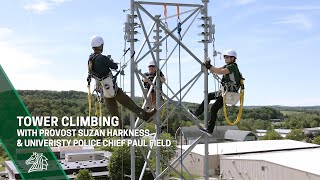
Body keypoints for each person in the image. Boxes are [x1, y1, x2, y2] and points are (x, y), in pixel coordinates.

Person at [87, 35, 157, 128]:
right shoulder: (102, 58)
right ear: (101, 46)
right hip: (112, 88)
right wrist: (110, 62)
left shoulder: (90, 59)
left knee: (114, 112)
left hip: (103, 90)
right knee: (129, 103)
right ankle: (145, 116)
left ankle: (121, 131)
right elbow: (115, 67)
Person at [189, 49, 243, 134]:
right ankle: (197, 113)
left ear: (232, 58)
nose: (225, 58)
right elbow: (217, 69)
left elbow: (219, 71)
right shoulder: (228, 66)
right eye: (224, 57)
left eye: (227, 57)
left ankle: (209, 128)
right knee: (210, 97)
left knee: (214, 108)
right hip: (225, 92)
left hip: (228, 93)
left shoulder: (232, 67)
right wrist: (209, 66)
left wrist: (209, 66)